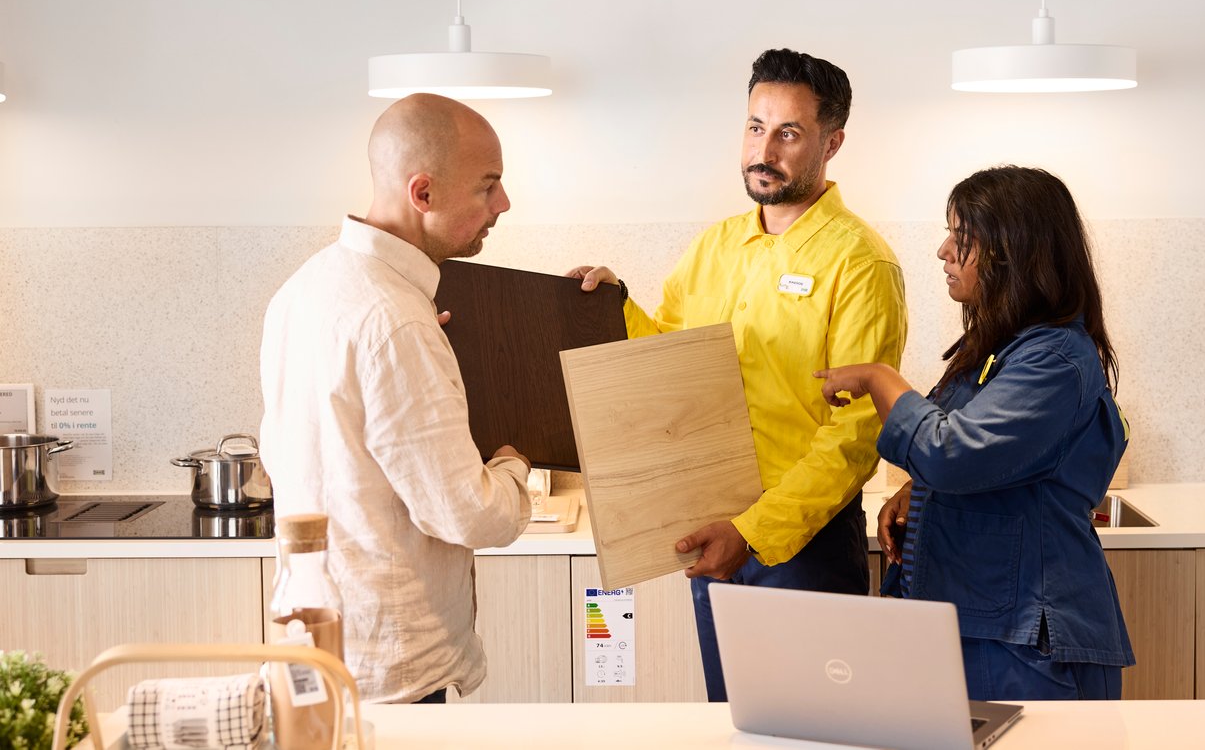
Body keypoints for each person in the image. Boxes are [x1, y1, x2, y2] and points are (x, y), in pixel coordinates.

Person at [571, 48, 908, 701]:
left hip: (802, 547)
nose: (765, 149)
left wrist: (752, 532)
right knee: (735, 722)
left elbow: (856, 434)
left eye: (789, 133)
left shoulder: (862, 263)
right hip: (712, 532)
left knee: (813, 733)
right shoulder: (716, 246)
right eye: (756, 127)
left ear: (832, 142)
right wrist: (613, 306)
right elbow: (671, 359)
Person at [815, 165, 1134, 701]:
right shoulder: (998, 353)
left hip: (1031, 645)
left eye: (961, 237)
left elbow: (951, 454)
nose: (943, 250)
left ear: (1013, 251)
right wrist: (919, 493)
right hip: (984, 626)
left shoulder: (1054, 359)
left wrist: (879, 377)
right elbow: (991, 458)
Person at [259, 93, 532, 704]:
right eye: (488, 186)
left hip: (313, 646)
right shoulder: (396, 323)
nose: (503, 204)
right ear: (423, 193)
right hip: (397, 672)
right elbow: (465, 511)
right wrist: (514, 464)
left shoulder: (302, 290)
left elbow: (281, 456)